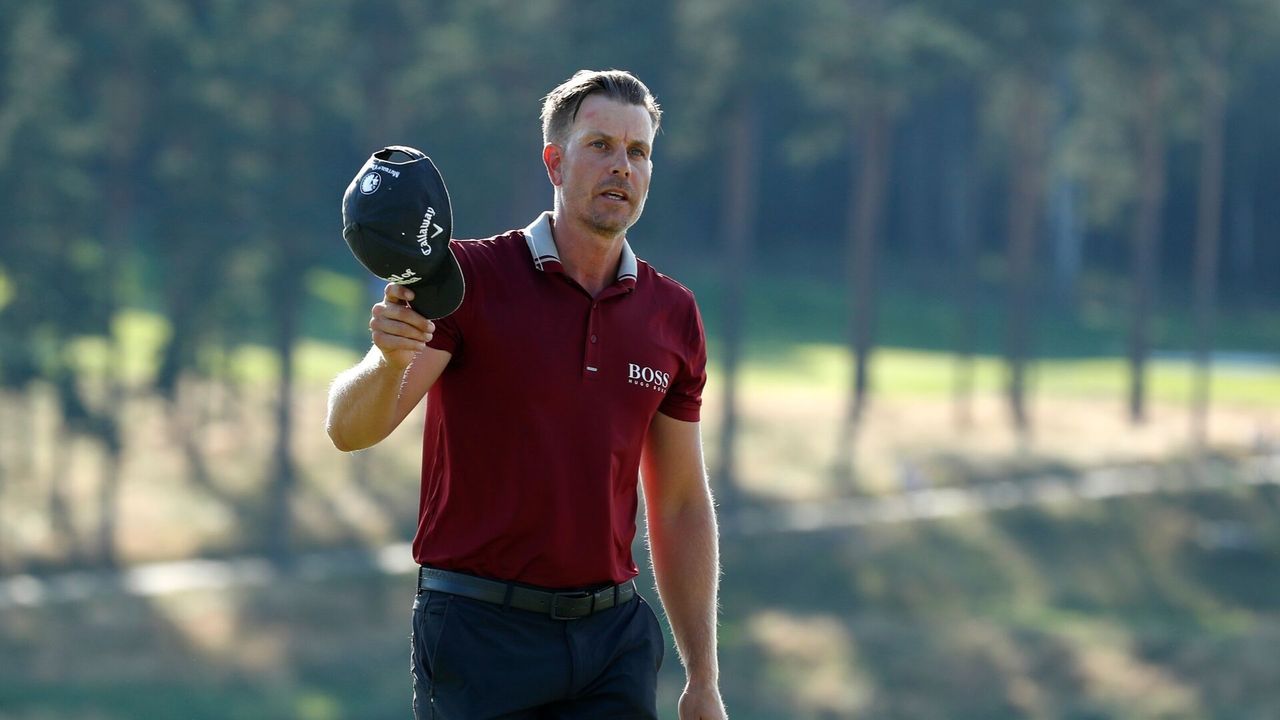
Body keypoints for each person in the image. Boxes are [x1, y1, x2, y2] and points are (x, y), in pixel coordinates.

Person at [326, 69, 727, 720]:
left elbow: (680, 503)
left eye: (638, 151)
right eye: (600, 145)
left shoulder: (672, 315)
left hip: (612, 642)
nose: (622, 166)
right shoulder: (467, 281)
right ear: (555, 162)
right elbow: (350, 429)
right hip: (480, 636)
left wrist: (702, 678)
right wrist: (388, 359)